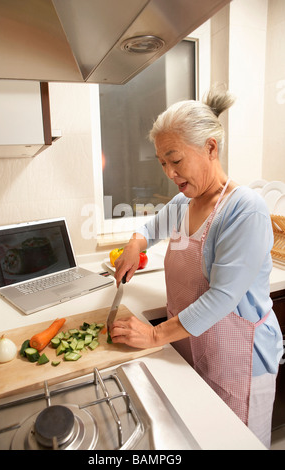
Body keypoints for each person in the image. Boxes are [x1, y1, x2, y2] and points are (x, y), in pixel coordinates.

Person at [110, 87, 283, 449]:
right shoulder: (183, 202)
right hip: (193, 343)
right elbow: (148, 229)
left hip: (240, 358)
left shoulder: (244, 210)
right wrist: (134, 245)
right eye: (162, 163)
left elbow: (221, 298)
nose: (169, 173)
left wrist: (155, 336)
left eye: (175, 160)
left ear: (210, 148)